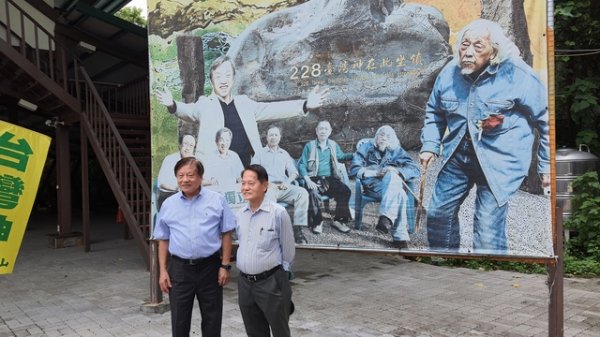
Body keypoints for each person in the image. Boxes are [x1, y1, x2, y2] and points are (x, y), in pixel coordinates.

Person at [419, 19, 550, 254]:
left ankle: (490, 275)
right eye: (464, 44)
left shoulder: (517, 74)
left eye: (478, 46)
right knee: (438, 213)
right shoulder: (449, 73)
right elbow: (435, 110)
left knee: (488, 229)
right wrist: (430, 144)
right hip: (459, 153)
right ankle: (444, 267)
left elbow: (546, 118)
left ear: (494, 51)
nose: (468, 52)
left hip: (499, 158)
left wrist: (546, 166)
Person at [156, 55, 330, 166]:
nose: (223, 81)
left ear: (233, 79)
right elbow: (187, 110)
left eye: (227, 76)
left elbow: (274, 108)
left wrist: (305, 104)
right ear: (212, 80)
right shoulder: (205, 104)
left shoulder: (245, 103)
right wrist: (172, 104)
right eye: (218, 77)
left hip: (248, 166)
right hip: (216, 168)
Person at [152, 157, 236, 337]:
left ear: (200, 177)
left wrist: (225, 265)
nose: (185, 180)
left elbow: (227, 233)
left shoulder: (217, 200)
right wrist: (163, 271)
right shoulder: (168, 204)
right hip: (180, 270)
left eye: (190, 175)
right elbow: (163, 239)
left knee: (212, 319)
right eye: (180, 175)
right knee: (179, 321)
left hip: (210, 268)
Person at [235, 164, 295, 337]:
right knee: (254, 332)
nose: (245, 187)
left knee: (280, 331)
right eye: (243, 183)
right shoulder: (240, 214)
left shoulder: (278, 213)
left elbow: (288, 251)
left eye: (251, 183)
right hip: (245, 284)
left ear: (265, 185)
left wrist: (280, 280)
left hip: (271, 282)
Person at [350, 125, 420, 249]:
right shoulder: (365, 148)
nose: (384, 138)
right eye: (381, 135)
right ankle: (399, 237)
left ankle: (386, 219)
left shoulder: (397, 151)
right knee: (400, 194)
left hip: (390, 188)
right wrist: (375, 172)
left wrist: (397, 170)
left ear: (392, 140)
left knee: (394, 178)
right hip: (373, 188)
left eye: (388, 136)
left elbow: (415, 169)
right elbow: (354, 168)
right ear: (376, 137)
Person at [251, 125, 310, 244]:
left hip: (283, 187)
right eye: (271, 135)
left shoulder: (284, 153)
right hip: (267, 187)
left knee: (302, 193)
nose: (273, 137)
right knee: (268, 199)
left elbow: (293, 172)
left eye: (276, 135)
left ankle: (297, 229)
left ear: (280, 137)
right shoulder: (260, 153)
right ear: (266, 137)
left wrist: (287, 183)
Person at [297, 120, 353, 234]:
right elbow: (301, 164)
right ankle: (318, 222)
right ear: (316, 131)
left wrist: (355, 155)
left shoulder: (333, 144)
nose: (323, 131)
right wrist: (307, 180)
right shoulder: (310, 146)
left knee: (345, 191)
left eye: (326, 129)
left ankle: (338, 220)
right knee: (313, 193)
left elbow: (341, 156)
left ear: (330, 131)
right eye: (321, 129)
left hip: (329, 179)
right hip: (313, 177)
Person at [156, 133, 196, 210]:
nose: (187, 148)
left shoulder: (195, 162)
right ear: (180, 145)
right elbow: (161, 183)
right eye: (185, 144)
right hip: (169, 195)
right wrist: (177, 188)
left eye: (191, 146)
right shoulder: (169, 159)